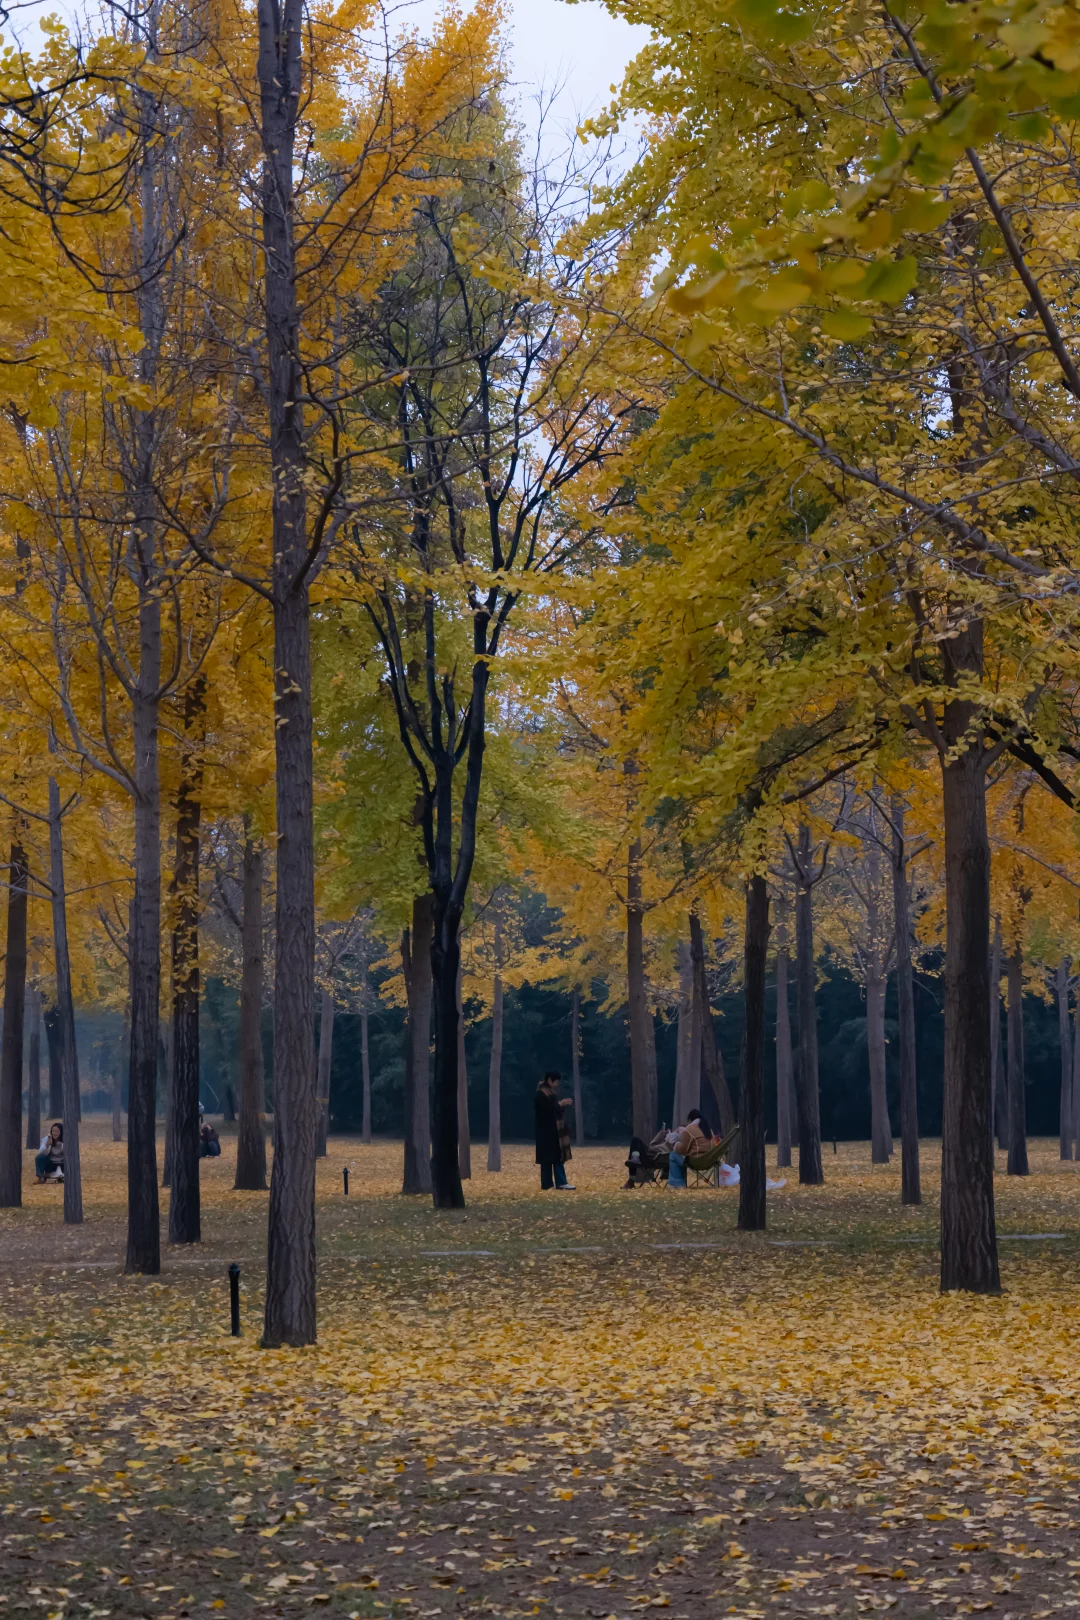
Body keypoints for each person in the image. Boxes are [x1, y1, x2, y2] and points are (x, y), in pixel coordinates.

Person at [534, 1071, 575, 1190]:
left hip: (554, 1132)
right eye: (555, 1081)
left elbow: (555, 1110)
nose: (557, 1084)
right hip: (546, 1132)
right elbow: (547, 1111)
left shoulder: (551, 1094)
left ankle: (560, 1182)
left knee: (557, 1157)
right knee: (548, 1159)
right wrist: (560, 1104)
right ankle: (548, 1184)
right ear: (549, 1080)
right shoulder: (540, 1095)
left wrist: (561, 1105)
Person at [667, 1109, 712, 1189]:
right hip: (709, 1160)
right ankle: (680, 1181)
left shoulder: (691, 1129)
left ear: (691, 1119)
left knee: (673, 1155)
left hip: (696, 1160)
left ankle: (678, 1183)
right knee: (681, 1158)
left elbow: (683, 1149)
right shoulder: (708, 1130)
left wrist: (674, 1144)